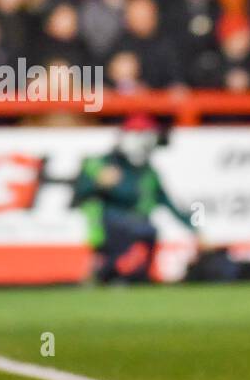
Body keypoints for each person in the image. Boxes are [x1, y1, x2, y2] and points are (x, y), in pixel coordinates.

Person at [70, 115, 196, 283]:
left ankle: (127, 273)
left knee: (145, 230)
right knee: (137, 230)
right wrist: (98, 183)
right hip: (108, 224)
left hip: (137, 224)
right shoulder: (101, 164)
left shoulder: (148, 173)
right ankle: (106, 270)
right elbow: (79, 194)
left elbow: (167, 202)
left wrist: (194, 230)